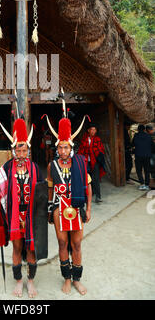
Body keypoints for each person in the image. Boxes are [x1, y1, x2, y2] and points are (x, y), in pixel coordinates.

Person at [0, 118, 45, 298]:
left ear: (28, 151)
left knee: (31, 249)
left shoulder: (35, 168)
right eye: (18, 150)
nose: (21, 153)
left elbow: (41, 192)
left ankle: (30, 281)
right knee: (16, 248)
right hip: (15, 215)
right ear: (13, 151)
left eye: (24, 150)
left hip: (30, 215)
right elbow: (0, 189)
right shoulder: (7, 167)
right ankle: (18, 281)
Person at [43, 105, 92, 296]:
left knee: (77, 244)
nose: (63, 150)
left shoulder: (80, 162)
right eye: (60, 147)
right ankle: (67, 278)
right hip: (58, 208)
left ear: (71, 147)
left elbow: (88, 186)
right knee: (62, 244)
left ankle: (77, 279)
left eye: (66, 147)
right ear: (57, 148)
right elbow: (50, 188)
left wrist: (88, 209)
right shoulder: (51, 165)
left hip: (77, 206)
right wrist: (49, 208)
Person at [78, 124, 106, 203]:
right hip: (86, 162)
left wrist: (97, 154)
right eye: (92, 129)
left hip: (95, 162)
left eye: (95, 130)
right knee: (86, 179)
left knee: (96, 179)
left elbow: (101, 150)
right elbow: (81, 151)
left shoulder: (97, 139)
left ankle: (98, 196)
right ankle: (87, 195)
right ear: (88, 130)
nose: (93, 131)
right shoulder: (84, 139)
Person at [133, 124, 152, 190]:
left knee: (139, 170)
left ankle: (142, 184)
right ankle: (147, 185)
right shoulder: (149, 136)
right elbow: (152, 145)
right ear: (144, 129)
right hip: (147, 156)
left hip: (138, 156)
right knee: (147, 170)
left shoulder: (136, 136)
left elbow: (133, 144)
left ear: (138, 129)